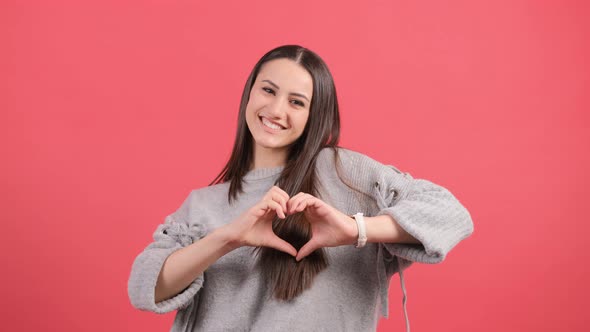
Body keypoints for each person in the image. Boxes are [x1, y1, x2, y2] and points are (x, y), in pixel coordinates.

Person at [127, 45, 474, 332]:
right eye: (268, 90)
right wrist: (230, 237)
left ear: (315, 114)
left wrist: (355, 229)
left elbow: (450, 215)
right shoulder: (202, 205)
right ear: (249, 93)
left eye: (296, 102)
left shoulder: (343, 173)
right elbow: (144, 288)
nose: (276, 110)